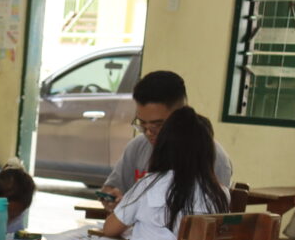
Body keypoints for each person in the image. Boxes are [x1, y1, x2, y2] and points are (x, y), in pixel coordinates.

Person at [101, 106, 229, 240]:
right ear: (208, 152)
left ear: (162, 148)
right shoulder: (220, 192)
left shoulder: (149, 184)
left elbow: (110, 229)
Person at [99, 70, 233, 211]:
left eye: (158, 125)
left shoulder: (213, 157)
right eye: (143, 124)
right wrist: (111, 197)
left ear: (183, 114)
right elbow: (112, 187)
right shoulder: (138, 146)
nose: (149, 133)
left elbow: (212, 218)